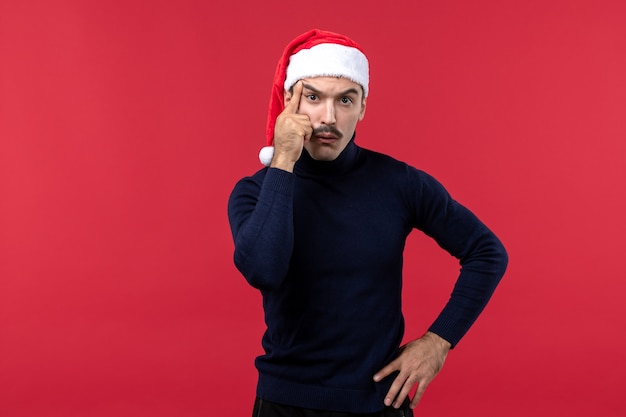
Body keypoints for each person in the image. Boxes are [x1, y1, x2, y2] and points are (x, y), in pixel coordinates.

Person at [227, 29, 508, 417]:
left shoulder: (399, 183)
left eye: (345, 99)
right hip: (284, 404)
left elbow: (486, 251)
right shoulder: (255, 191)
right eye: (313, 97)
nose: (329, 117)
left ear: (362, 108)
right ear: (289, 104)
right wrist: (284, 161)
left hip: (378, 405)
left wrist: (438, 341)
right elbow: (263, 269)